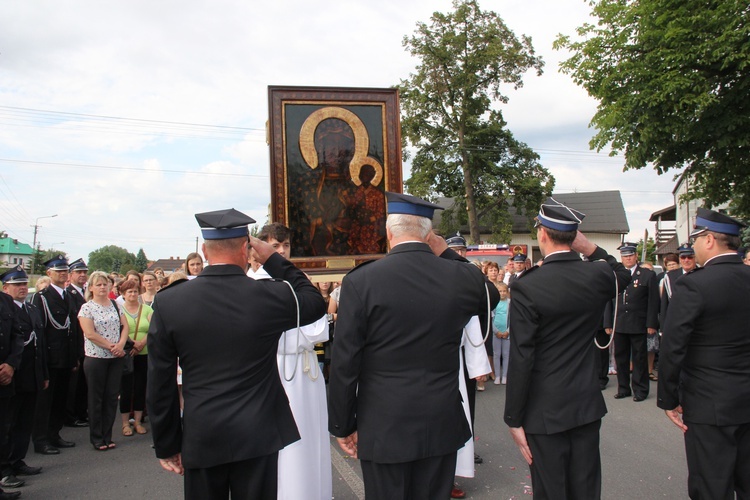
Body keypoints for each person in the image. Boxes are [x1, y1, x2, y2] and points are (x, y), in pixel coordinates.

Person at [147, 208, 326, 500]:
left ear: (204, 250)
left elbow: (159, 383)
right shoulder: (269, 295)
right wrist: (274, 259)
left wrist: (167, 444)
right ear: (247, 249)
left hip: (204, 431)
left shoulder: (169, 302)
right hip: (258, 432)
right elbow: (312, 301)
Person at [328, 192, 497, 500]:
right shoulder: (459, 277)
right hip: (441, 419)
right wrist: (446, 253)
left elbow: (345, 361)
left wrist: (342, 423)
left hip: (383, 423)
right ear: (428, 233)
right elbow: (490, 297)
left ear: (388, 233)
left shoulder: (362, 280)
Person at [504, 199, 630, 500]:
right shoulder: (597, 275)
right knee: (585, 488)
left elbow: (523, 355)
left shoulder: (527, 285)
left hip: (543, 408)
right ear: (574, 237)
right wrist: (590, 249)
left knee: (551, 491)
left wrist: (513, 418)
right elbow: (622, 276)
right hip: (585, 403)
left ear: (542, 235)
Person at [657, 208, 750, 499]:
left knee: (711, 485)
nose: (693, 246)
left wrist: (669, 398)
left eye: (696, 238)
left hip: (709, 403)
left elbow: (673, 345)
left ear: (709, 240)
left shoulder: (694, 284)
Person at [247, 222, 332, 500]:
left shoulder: (299, 280)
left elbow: (321, 330)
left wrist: (299, 335)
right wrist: (299, 334)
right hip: (278, 370)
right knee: (286, 443)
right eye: (274, 246)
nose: (282, 251)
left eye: (286, 246)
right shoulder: (252, 283)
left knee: (312, 437)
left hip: (307, 371)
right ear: (259, 250)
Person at [1, 267, 42, 496]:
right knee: (7, 424)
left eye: (24, 284)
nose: (22, 288)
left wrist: (42, 373)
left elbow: (35, 343)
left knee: (24, 422)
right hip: (10, 377)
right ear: (5, 288)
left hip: (28, 373)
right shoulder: (6, 307)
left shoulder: (31, 309)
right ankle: (5, 468)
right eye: (16, 285)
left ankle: (17, 460)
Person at [31, 255, 77, 455]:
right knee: (45, 402)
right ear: (49, 273)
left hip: (66, 356)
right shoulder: (41, 297)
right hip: (50, 357)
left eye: (65, 270)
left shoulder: (68, 295)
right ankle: (41, 440)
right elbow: (39, 331)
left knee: (60, 399)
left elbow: (73, 328)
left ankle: (54, 434)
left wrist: (74, 355)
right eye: (58, 271)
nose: (62, 273)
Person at [78, 271, 128, 451]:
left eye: (105, 284)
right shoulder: (87, 308)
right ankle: (97, 437)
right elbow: (90, 333)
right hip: (96, 358)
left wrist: (121, 344)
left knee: (111, 397)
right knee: (96, 398)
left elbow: (125, 326)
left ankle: (108, 435)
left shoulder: (115, 305)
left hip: (116, 358)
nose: (102, 287)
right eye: (98, 284)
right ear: (91, 287)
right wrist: (110, 346)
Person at [605, 242, 659, 402]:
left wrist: (651, 324)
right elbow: (609, 299)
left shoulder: (647, 275)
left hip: (638, 324)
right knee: (620, 358)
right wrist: (608, 323)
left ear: (636, 256)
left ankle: (640, 390)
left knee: (639, 359)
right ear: (621, 258)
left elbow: (653, 302)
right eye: (624, 256)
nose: (627, 258)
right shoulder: (616, 275)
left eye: (630, 255)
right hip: (620, 323)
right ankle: (623, 388)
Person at [117, 279, 151, 438]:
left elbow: (155, 328)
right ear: (123, 294)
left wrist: (141, 344)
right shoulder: (119, 309)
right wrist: (132, 345)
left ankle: (137, 421)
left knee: (140, 387)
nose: (133, 294)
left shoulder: (146, 309)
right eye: (129, 291)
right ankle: (125, 423)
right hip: (125, 354)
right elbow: (117, 329)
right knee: (126, 389)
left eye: (135, 291)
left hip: (144, 354)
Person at [65, 258, 89, 429]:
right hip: (76, 346)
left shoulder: (84, 293)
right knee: (73, 386)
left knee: (82, 384)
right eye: (78, 272)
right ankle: (71, 415)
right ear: (70, 274)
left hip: (86, 346)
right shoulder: (69, 294)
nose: (82, 275)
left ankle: (81, 412)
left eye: (84, 272)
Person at [492, 282, 510, 385]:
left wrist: (508, 331)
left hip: (507, 333)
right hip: (496, 333)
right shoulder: (494, 303)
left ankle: (505, 376)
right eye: (500, 291)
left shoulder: (510, 303)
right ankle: (497, 376)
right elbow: (491, 319)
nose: (502, 293)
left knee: (506, 354)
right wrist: (496, 331)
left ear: (507, 292)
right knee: (497, 354)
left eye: (504, 291)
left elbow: (512, 319)